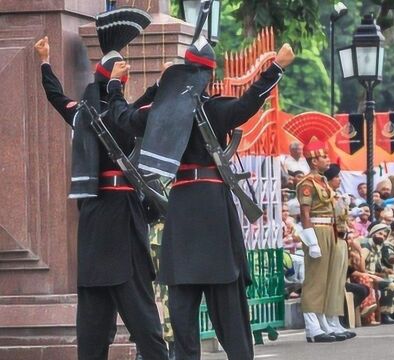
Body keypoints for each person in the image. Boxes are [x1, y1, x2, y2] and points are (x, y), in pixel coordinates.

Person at [108, 37, 295, 358]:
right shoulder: (216, 109)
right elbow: (249, 102)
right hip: (213, 213)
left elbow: (121, 119)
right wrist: (275, 67)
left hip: (180, 212)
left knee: (183, 320)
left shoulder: (160, 112)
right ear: (209, 76)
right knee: (231, 318)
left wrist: (115, 85)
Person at [35, 8, 169, 359]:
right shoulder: (118, 115)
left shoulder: (82, 113)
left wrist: (46, 63)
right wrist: (158, 86)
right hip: (122, 217)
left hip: (93, 221)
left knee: (92, 330)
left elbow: (55, 95)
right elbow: (131, 115)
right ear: (116, 84)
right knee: (144, 321)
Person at [295, 139, 347, 342]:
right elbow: (305, 214)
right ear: (314, 161)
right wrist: (312, 241)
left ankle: (324, 324)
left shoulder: (323, 182)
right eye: (324, 157)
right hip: (316, 230)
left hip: (330, 229)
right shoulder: (306, 183)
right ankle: (312, 328)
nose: (328, 160)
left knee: (327, 280)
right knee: (315, 280)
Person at [322, 163, 356, 340]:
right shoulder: (329, 196)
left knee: (339, 282)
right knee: (333, 281)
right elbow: (335, 216)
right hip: (333, 238)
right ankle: (329, 319)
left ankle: (335, 319)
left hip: (342, 239)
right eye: (336, 177)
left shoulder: (337, 195)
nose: (339, 180)